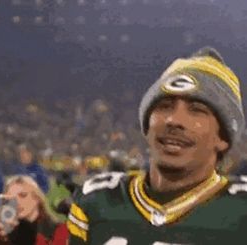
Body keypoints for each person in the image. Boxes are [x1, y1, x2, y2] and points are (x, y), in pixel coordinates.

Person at [67, 47, 247, 244]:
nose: (173, 120)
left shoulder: (240, 210)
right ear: (147, 125)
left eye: (196, 110)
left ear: (223, 138)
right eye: (164, 106)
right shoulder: (98, 201)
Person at [0, 175, 69, 245]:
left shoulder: (58, 230)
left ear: (37, 198)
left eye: (23, 195)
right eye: (11, 198)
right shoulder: (4, 231)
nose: (17, 202)